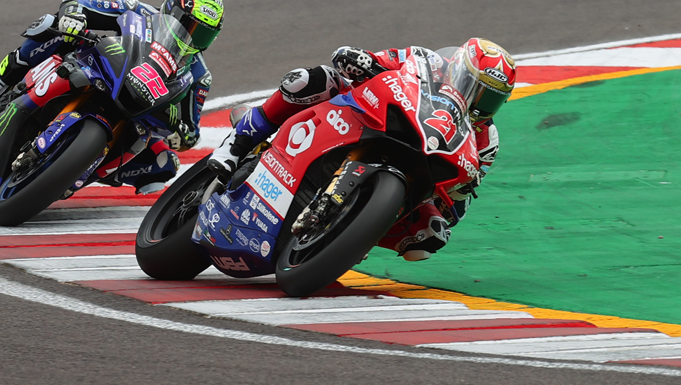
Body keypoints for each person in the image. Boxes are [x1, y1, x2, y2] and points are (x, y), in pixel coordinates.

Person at [203, 39, 514, 261]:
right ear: (460, 69)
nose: (479, 102)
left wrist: (457, 194)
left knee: (432, 234)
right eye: (477, 89)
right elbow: (374, 60)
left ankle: (349, 236)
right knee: (311, 80)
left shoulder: (486, 141)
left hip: (416, 171)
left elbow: (458, 207)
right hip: (367, 116)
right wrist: (362, 60)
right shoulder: (425, 61)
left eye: (491, 99)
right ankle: (239, 140)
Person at [0, 0, 222, 194]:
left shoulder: (200, 75)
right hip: (101, 70)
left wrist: (182, 135)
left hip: (138, 112)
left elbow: (191, 129)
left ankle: (78, 172)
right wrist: (74, 15)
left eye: (201, 33)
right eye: (186, 24)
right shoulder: (139, 11)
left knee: (164, 164)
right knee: (53, 27)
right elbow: (80, 3)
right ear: (170, 8)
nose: (190, 35)